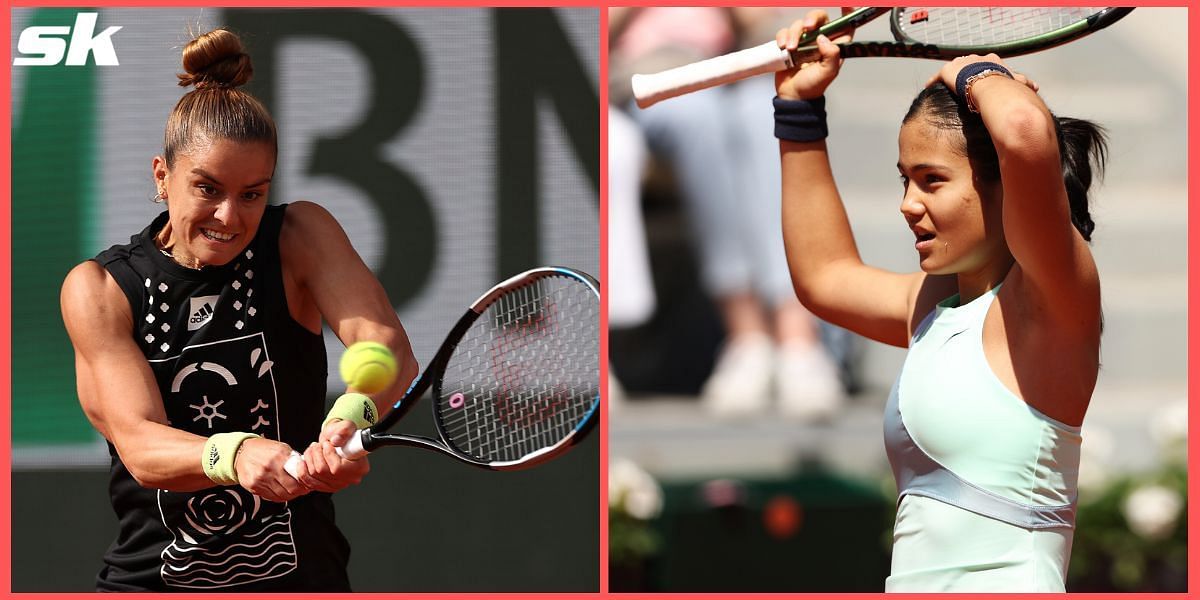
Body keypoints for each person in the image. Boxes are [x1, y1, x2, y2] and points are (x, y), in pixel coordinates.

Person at [59, 28, 417, 592]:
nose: (229, 217)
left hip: (300, 577)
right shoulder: (100, 289)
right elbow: (141, 444)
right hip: (152, 581)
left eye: (252, 193)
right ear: (162, 176)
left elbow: (388, 347)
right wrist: (238, 452)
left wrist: (351, 419)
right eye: (208, 189)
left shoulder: (300, 236)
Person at [772, 10, 1106, 592]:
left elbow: (1024, 130)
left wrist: (973, 70)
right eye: (904, 179)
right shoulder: (934, 309)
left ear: (1004, 181)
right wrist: (799, 109)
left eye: (931, 179)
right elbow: (824, 276)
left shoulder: (1051, 303)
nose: (907, 203)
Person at [610, 7, 845, 419]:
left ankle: (797, 341)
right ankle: (746, 336)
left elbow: (760, 22)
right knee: (698, 117)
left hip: (732, 71)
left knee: (765, 114)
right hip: (648, 80)